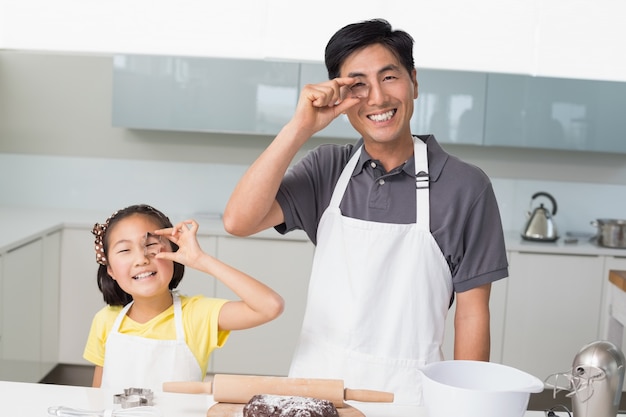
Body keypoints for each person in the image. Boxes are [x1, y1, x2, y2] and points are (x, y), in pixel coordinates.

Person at [223, 19, 508, 405]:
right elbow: (238, 221)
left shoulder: (465, 186)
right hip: (315, 395)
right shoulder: (327, 169)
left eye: (389, 77)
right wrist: (300, 127)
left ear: (414, 82)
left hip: (409, 399)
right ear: (339, 95)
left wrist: (466, 407)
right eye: (358, 84)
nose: (376, 97)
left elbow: (473, 314)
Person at [83, 204, 284, 391]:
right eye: (125, 250)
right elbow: (97, 397)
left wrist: (202, 260)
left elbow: (269, 306)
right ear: (110, 269)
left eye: (151, 245)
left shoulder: (197, 315)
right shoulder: (105, 321)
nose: (141, 259)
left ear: (174, 251)